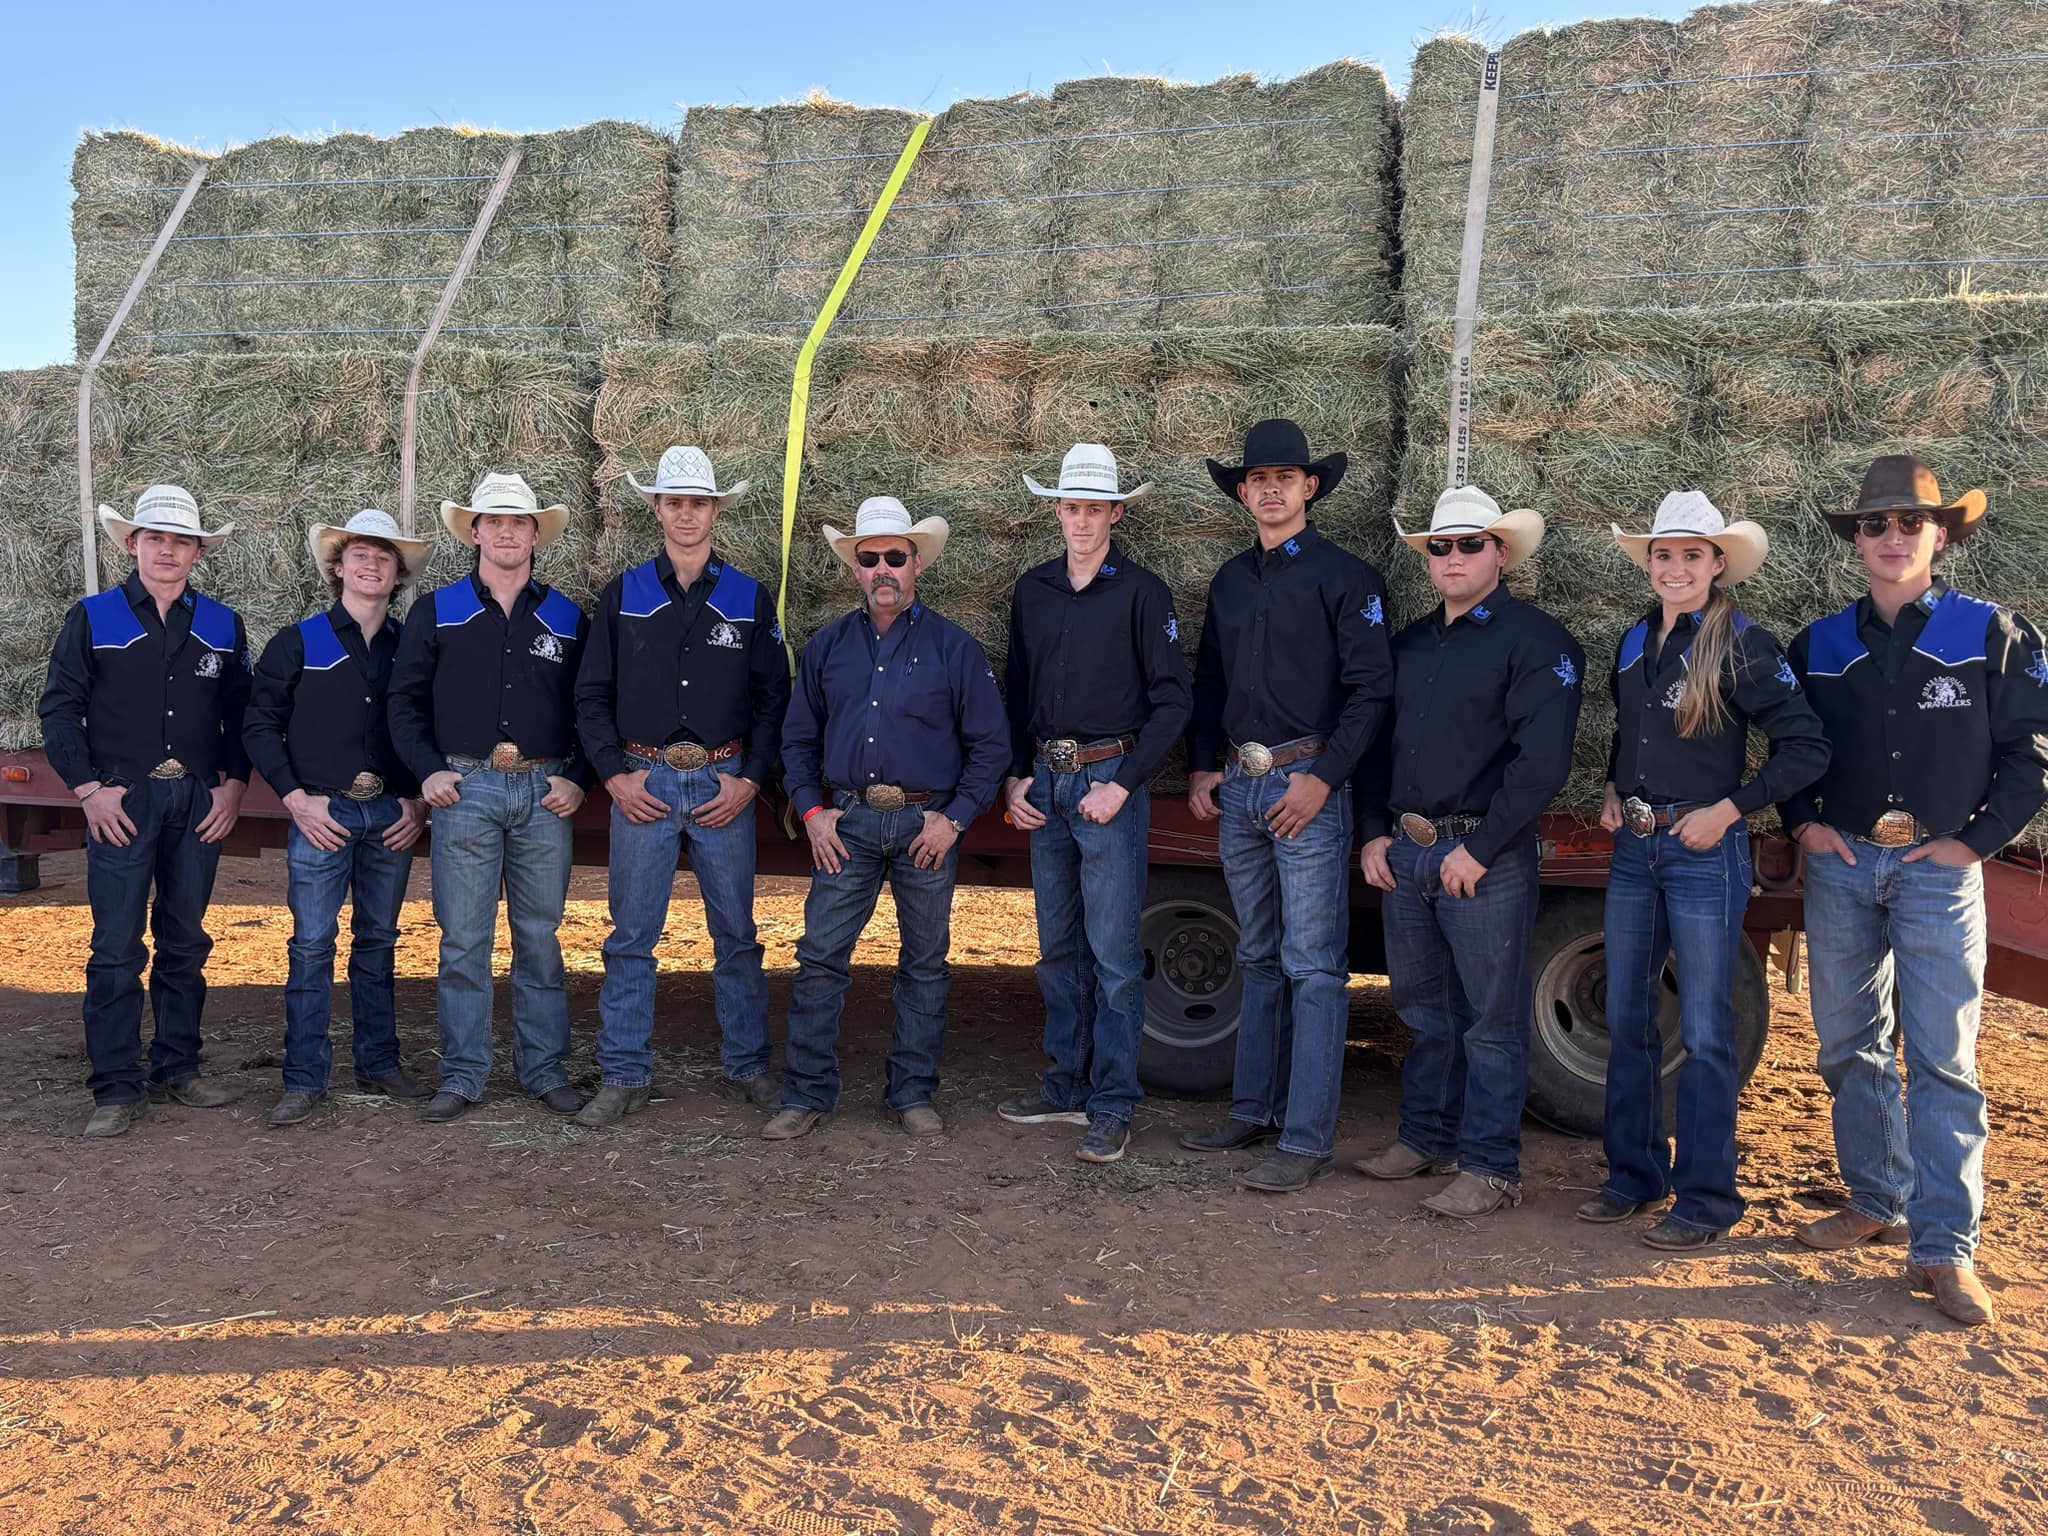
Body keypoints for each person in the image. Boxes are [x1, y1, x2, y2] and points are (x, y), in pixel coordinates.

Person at [1780, 456, 2048, 1327]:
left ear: (1942, 534)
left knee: (1942, 1058)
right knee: (1848, 1042)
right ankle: (1875, 1197)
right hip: (1844, 865)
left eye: (1909, 523)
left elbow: (2031, 754)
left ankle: (1945, 1248)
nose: (1892, 537)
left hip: (1938, 870)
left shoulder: (1995, 633)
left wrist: (1971, 844)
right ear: (1855, 540)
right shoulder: (1816, 643)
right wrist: (1804, 823)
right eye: (1874, 524)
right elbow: (1788, 744)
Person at [1578, 491, 1827, 1249]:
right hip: (1637, 848)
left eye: (1692, 554)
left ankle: (1708, 1199)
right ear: (1648, 564)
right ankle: (1634, 1175)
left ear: (1719, 565)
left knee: (1710, 1030)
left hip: (1702, 851)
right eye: (1663, 554)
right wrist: (1616, 788)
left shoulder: (1742, 642)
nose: (1675, 567)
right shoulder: (1632, 642)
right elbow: (1631, 733)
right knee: (1627, 1017)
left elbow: (1806, 746)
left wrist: (1732, 809)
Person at [1355, 487, 1583, 1217]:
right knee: (1424, 1010)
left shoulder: (1539, 642)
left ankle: (1491, 1168)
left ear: (1502, 553)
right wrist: (1372, 832)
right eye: (1440, 548)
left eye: (1469, 544)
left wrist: (1480, 851)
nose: (1452, 558)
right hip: (1410, 852)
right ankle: (1426, 1139)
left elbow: (1540, 765)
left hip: (1481, 859)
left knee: (1492, 1019)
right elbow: (1374, 749)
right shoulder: (1411, 644)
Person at [1180, 420, 1394, 1192]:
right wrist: (1203, 766)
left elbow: (1374, 690)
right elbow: (1209, 679)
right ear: (1243, 492)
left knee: (1314, 965)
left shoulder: (1349, 578)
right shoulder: (1232, 581)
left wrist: (1325, 779)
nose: (1270, 488)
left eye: (1285, 476)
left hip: (1306, 784)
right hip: (1241, 785)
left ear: (1310, 487)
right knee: (1258, 955)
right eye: (1256, 478)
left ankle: (1305, 1140)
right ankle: (1253, 1111)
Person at [766, 497, 1009, 1142]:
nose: (881, 569)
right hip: (844, 826)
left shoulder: (956, 649)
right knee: (820, 957)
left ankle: (912, 1093)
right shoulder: (827, 648)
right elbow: (796, 741)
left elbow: (991, 746)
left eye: (894, 557)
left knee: (924, 963)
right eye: (867, 557)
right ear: (855, 567)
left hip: (924, 828)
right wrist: (813, 812)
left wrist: (954, 819)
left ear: (917, 564)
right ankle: (807, 1094)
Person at [573, 448, 789, 1127]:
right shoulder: (624, 593)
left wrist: (752, 780)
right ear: (657, 509)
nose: (686, 512)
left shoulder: (749, 597)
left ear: (716, 509)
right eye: (674, 501)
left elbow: (772, 698)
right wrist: (615, 775)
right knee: (632, 936)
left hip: (723, 781)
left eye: (698, 502)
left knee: (738, 935)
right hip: (646, 782)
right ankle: (624, 1074)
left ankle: (749, 1067)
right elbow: (591, 695)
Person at [997, 445, 1192, 1164]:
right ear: (1056, 510)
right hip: (1047, 784)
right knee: (1058, 948)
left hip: (1108, 780)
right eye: (1070, 506)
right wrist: (1016, 776)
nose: (1081, 519)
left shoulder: (1144, 594)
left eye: (1094, 508)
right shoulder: (1033, 591)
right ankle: (1065, 1086)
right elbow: (1018, 689)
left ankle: (1112, 1102)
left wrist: (1125, 782)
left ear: (1116, 514)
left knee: (1113, 955)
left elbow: (1174, 702)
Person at [38, 486, 251, 1138]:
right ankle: (115, 1087)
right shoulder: (94, 616)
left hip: (195, 801)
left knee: (186, 939)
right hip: (122, 801)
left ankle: (177, 1068)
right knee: (115, 945)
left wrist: (235, 785)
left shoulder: (223, 623)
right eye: (155, 538)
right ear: (132, 544)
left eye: (180, 540)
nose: (167, 550)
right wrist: (87, 790)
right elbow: (57, 708)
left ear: (197, 552)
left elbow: (243, 715)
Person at [388, 472, 590, 1123]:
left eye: (519, 521)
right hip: (465, 791)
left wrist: (578, 775)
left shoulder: (566, 615)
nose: (507, 531)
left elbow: (594, 705)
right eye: (494, 521)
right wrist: (427, 771)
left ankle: (544, 1070)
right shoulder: (437, 609)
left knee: (540, 937)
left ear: (537, 534)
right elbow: (405, 701)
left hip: (541, 790)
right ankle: (465, 1073)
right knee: (464, 941)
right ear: (473, 531)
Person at [244, 510, 432, 1127]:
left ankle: (378, 1063)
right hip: (321, 812)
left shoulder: (414, 646)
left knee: (378, 942)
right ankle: (303, 1079)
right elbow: (259, 725)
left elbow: (432, 728)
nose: (371, 564)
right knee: (312, 945)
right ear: (337, 567)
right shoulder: (297, 642)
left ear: (398, 574)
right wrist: (296, 799)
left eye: (384, 557)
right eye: (359, 554)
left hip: (392, 813)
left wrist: (420, 802)